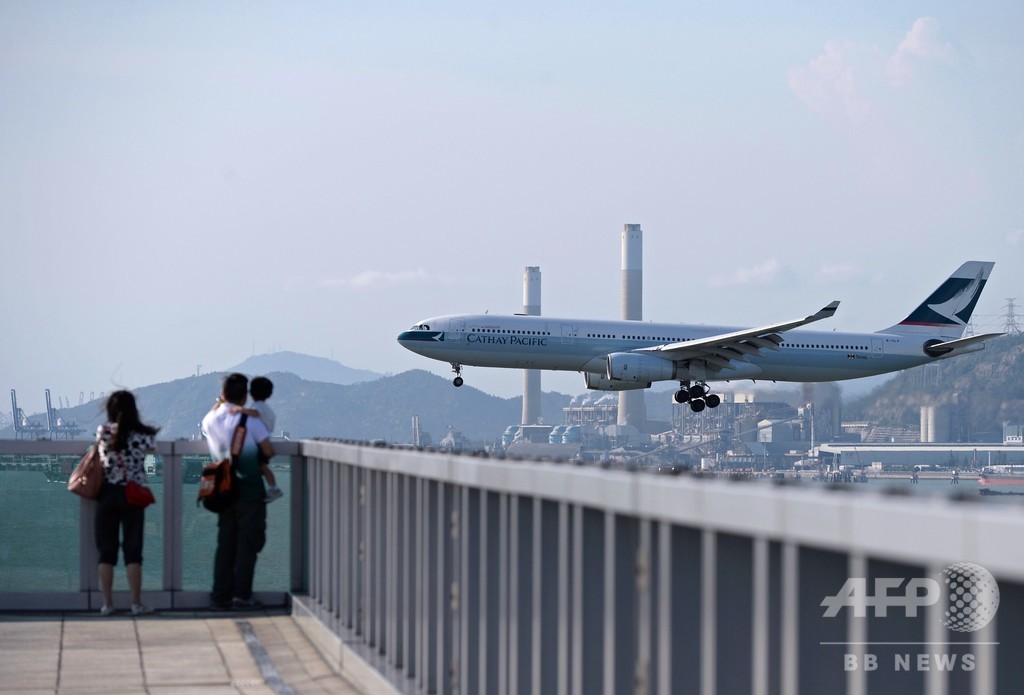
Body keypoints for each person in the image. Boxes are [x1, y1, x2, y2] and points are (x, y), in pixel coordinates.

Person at [201, 373, 275, 610]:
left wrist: (221, 402)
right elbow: (268, 450)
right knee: (248, 545)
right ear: (245, 395)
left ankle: (220, 596)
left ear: (222, 395)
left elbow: (214, 412)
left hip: (223, 490)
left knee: (225, 545)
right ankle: (241, 596)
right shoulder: (250, 422)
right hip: (250, 490)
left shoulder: (210, 420)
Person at [94, 390, 159, 616]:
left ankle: (107, 604)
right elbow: (152, 450)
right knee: (133, 551)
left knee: (106, 552)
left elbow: (100, 455)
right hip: (133, 494)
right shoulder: (143, 434)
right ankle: (135, 603)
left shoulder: (104, 432)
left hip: (107, 494)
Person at [246, 376, 282, 503]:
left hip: (258, 444)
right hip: (264, 442)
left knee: (262, 466)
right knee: (264, 467)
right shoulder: (269, 410)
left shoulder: (257, 407)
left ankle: (274, 488)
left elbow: (255, 413)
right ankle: (273, 487)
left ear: (250, 392)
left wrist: (240, 410)